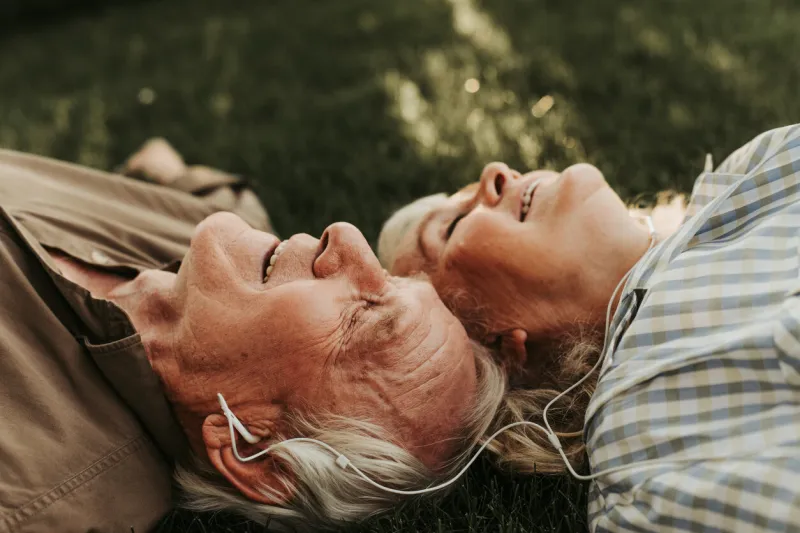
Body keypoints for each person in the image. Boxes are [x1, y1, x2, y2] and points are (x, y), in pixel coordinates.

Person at [0, 140, 504, 533]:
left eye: (361, 319)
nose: (346, 236)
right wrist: (166, 171)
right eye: (391, 279)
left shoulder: (25, 490)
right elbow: (214, 191)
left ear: (260, 457)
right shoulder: (200, 233)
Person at [379, 125, 800, 531]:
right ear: (500, 346)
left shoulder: (746, 172)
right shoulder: (645, 465)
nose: (496, 171)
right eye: (451, 226)